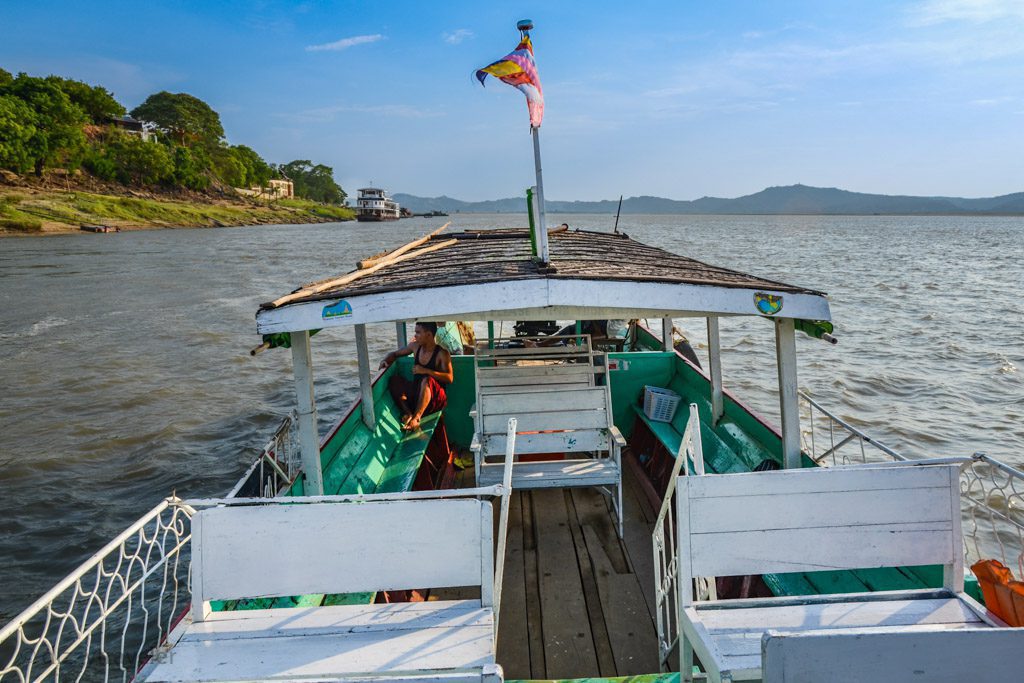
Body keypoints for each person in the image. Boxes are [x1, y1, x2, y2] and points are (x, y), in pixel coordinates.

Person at [379, 321, 453, 431]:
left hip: (435, 399)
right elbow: (395, 354)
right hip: (417, 394)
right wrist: (385, 360)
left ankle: (416, 418)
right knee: (394, 380)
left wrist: (426, 371)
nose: (415, 335)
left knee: (427, 380)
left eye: (418, 332)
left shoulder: (442, 353)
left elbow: (449, 378)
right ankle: (408, 413)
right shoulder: (415, 347)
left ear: (428, 335)